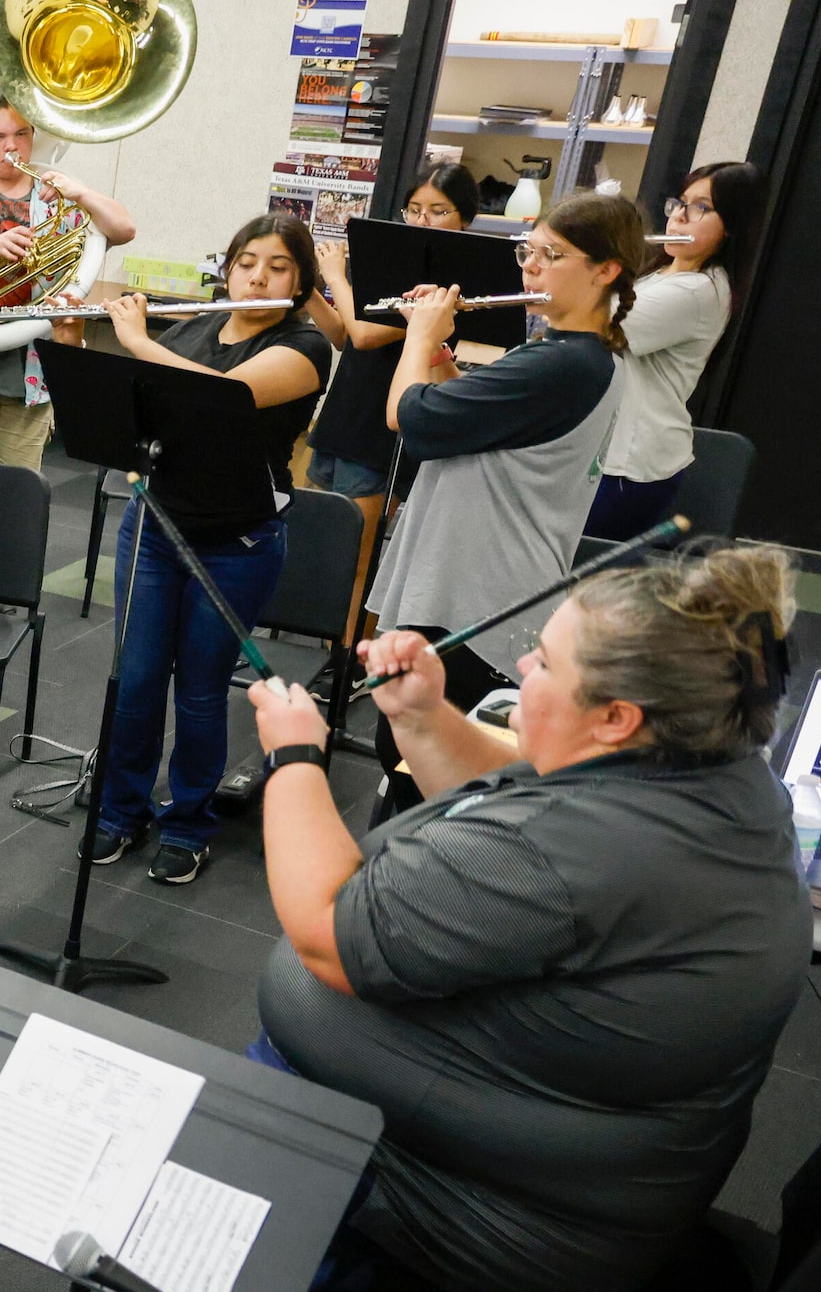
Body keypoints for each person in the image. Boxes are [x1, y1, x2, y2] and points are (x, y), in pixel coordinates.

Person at [93, 545, 811, 1292]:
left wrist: (294, 758)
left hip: (532, 1222)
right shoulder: (708, 773)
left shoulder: (584, 852)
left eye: (546, 662)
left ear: (618, 716)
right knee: (275, 1085)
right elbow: (519, 781)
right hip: (588, 1171)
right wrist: (422, 716)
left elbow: (328, 934)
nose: (520, 669)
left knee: (174, 1192)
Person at [366, 190, 641, 814]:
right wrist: (440, 356)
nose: (531, 266)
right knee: (415, 760)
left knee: (425, 769)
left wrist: (418, 335)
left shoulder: (564, 364)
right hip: (480, 580)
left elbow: (406, 419)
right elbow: (488, 433)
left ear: (606, 271)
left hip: (478, 595)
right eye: (529, 250)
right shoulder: (566, 356)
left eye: (552, 253)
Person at [89, 215, 333, 884]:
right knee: (135, 681)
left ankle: (188, 820)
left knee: (198, 691)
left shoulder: (306, 346)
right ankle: (118, 810)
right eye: (246, 260)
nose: (257, 275)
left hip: (237, 540)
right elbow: (146, 411)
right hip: (156, 526)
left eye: (278, 265)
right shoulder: (195, 328)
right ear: (226, 267)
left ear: (300, 280)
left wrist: (136, 340)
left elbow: (224, 398)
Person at [0, 93, 136, 470]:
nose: (12, 146)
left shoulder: (56, 200)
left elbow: (124, 229)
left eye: (22, 134)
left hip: (32, 370)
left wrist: (81, 191)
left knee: (14, 489)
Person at [589, 161, 767, 541]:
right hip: (607, 450)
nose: (680, 217)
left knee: (576, 579)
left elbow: (597, 322)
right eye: (680, 203)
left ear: (731, 227)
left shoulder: (698, 292)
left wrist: (579, 255)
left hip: (631, 465)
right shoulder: (662, 272)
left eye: (700, 208)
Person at [303, 163, 480, 541]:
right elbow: (343, 335)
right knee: (314, 550)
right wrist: (309, 285)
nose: (422, 220)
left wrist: (335, 275)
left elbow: (365, 334)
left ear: (464, 218)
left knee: (351, 560)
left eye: (438, 211)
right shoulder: (392, 266)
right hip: (342, 419)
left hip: (378, 434)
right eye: (414, 210)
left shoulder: (447, 287)